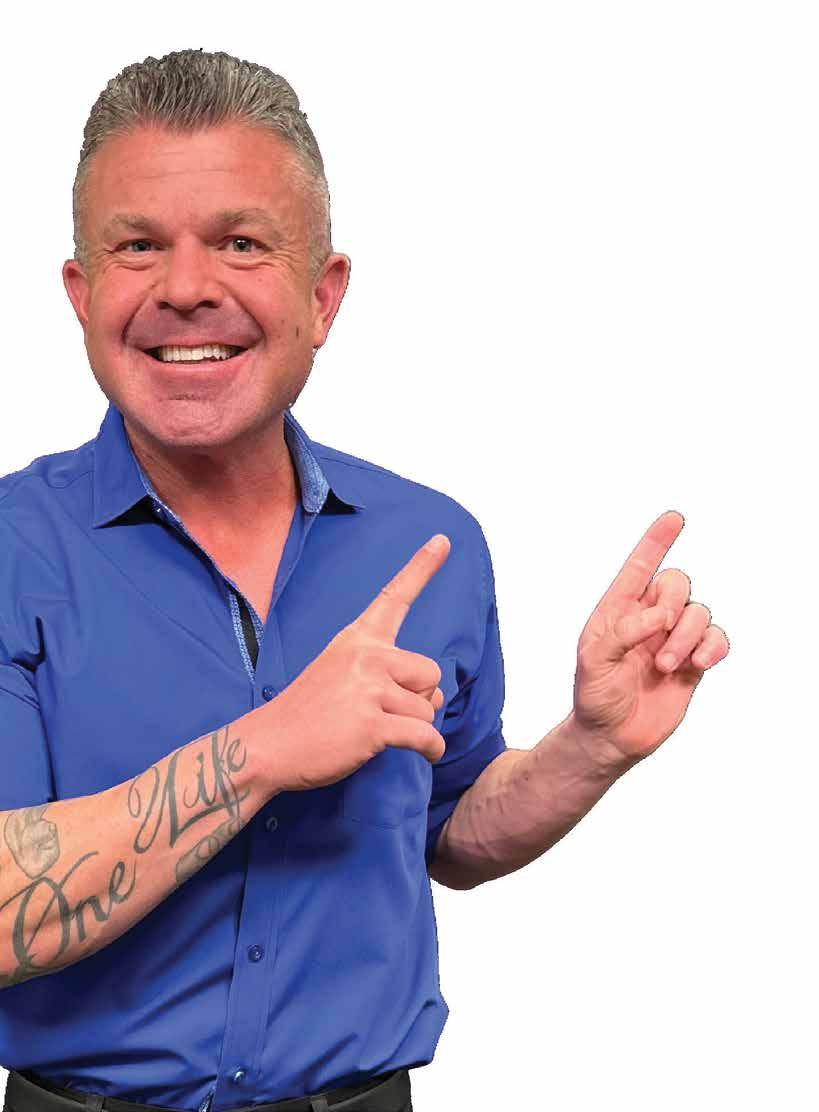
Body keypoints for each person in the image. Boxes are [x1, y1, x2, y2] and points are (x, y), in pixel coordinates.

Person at [0, 48, 729, 1112]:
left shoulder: (429, 542)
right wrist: (263, 750)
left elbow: (446, 829)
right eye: (138, 245)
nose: (186, 287)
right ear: (82, 293)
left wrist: (591, 746)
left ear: (323, 293)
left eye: (240, 243)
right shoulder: (13, 547)